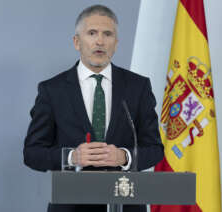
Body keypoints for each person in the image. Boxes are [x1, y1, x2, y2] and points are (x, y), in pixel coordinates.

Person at [23, 4, 164, 212]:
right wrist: (72, 157)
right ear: (76, 42)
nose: (100, 41)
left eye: (108, 34)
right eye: (92, 33)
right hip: (71, 205)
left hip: (125, 203)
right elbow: (32, 153)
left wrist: (124, 157)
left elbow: (155, 149)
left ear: (115, 44)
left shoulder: (138, 87)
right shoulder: (52, 90)